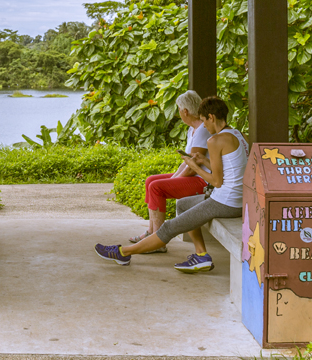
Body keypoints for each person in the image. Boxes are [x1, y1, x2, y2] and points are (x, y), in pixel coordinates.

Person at [95, 95, 248, 272]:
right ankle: (201, 255)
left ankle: (123, 252)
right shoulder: (238, 134)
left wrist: (193, 167)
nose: (204, 125)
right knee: (182, 205)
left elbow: (217, 181)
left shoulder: (215, 140)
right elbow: (232, 169)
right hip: (236, 199)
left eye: (204, 120)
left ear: (211, 117)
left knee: (169, 227)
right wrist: (203, 162)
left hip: (225, 202)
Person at [134, 91, 212, 252]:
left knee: (157, 187)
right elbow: (186, 162)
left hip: (203, 180)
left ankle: (158, 241)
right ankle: (151, 232)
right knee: (151, 181)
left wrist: (173, 181)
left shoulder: (203, 130)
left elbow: (192, 166)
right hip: (194, 176)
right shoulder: (193, 129)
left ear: (185, 111)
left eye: (178, 109)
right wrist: (174, 178)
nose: (178, 113)